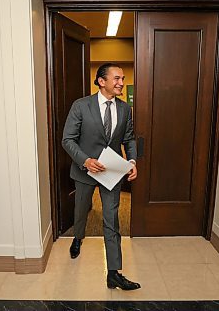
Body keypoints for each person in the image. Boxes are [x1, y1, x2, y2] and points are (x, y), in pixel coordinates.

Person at [62, 63, 141, 290]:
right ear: (101, 81)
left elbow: (129, 139)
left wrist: (132, 161)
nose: (121, 83)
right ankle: (78, 238)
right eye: (116, 78)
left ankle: (114, 273)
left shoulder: (125, 109)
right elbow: (67, 139)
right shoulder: (81, 106)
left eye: (122, 78)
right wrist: (85, 160)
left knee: (111, 220)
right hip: (84, 170)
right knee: (81, 211)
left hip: (112, 173)